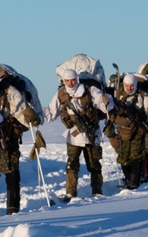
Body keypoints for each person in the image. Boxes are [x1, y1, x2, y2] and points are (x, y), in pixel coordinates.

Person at [43, 69, 113, 200]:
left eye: (73, 80)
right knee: (71, 164)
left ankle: (97, 190)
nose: (70, 83)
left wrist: (106, 101)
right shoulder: (61, 94)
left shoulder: (90, 90)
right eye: (67, 81)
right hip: (73, 136)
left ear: (77, 79)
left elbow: (105, 106)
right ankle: (70, 192)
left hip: (92, 134)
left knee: (94, 164)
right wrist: (37, 113)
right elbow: (51, 113)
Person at [0, 73, 39, 214]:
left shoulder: (11, 93)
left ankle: (12, 208)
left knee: (11, 170)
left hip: (9, 137)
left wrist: (30, 119)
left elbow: (21, 112)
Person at [105, 73, 148, 190]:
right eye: (127, 86)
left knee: (135, 157)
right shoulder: (119, 96)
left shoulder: (143, 96)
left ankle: (134, 183)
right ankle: (128, 180)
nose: (129, 88)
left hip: (138, 131)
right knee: (123, 157)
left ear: (135, 85)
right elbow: (111, 109)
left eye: (131, 86)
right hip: (122, 132)